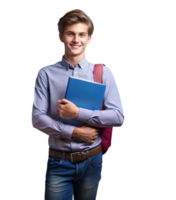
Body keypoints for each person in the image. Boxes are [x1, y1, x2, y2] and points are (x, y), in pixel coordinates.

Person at [30, 8, 126, 200]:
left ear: (90, 39)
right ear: (60, 37)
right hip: (58, 160)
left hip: (93, 160)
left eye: (82, 34)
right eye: (70, 33)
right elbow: (36, 119)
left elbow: (119, 117)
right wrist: (74, 132)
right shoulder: (45, 74)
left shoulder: (104, 73)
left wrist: (78, 113)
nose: (76, 39)